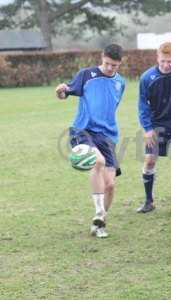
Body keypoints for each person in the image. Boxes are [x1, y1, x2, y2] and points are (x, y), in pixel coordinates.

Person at [55, 44, 126, 238]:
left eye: (115, 65)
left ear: (120, 63)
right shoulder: (86, 75)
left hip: (108, 136)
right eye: (108, 64)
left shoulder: (121, 82)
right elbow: (67, 92)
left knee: (110, 185)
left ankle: (100, 221)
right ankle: (97, 211)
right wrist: (61, 91)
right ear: (102, 57)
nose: (111, 68)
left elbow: (112, 105)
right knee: (99, 162)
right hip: (83, 131)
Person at [137, 42, 171, 213]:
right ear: (157, 58)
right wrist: (147, 128)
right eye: (163, 61)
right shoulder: (147, 78)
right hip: (157, 125)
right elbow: (143, 105)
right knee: (149, 160)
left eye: (170, 62)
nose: (166, 65)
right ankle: (148, 201)